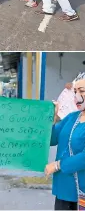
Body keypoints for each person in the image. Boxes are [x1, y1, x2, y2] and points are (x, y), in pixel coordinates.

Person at [44, 73, 85, 210]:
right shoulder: (72, 117)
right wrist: (53, 117)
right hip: (64, 188)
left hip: (82, 189)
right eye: (75, 91)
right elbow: (51, 139)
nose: (77, 96)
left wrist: (58, 165)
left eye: (82, 91)